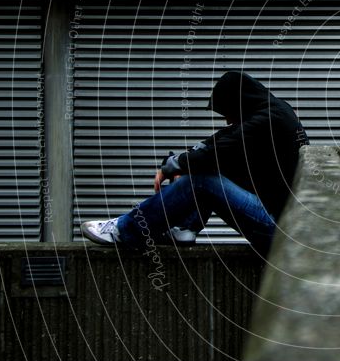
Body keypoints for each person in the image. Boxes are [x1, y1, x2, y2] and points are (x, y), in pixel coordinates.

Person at [81, 71, 310, 254]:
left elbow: (217, 151)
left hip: (279, 231)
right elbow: (220, 140)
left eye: (228, 112)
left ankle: (125, 230)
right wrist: (177, 162)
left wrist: (174, 165)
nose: (227, 119)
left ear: (241, 103)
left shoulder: (271, 118)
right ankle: (185, 228)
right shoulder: (270, 115)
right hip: (278, 226)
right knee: (204, 169)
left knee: (202, 178)